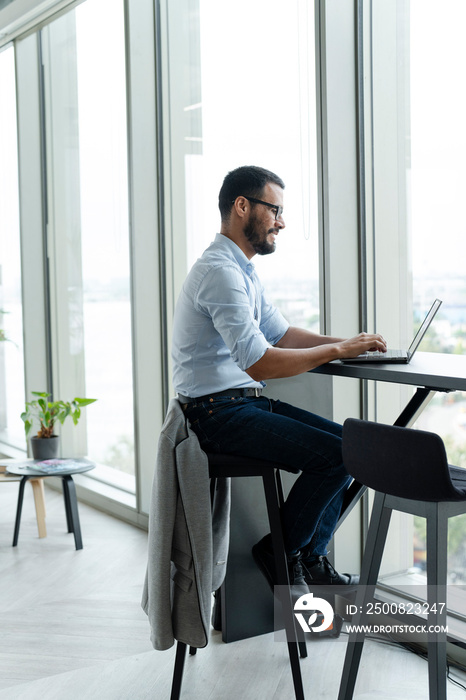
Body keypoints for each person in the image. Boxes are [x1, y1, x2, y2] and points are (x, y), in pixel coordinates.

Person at [172, 165, 387, 592]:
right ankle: (282, 551)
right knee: (337, 456)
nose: (282, 222)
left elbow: (283, 335)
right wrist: (338, 351)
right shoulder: (220, 272)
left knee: (352, 447)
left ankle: (306, 556)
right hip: (214, 414)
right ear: (242, 206)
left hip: (239, 404)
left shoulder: (242, 271)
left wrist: (349, 342)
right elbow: (260, 362)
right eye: (275, 210)